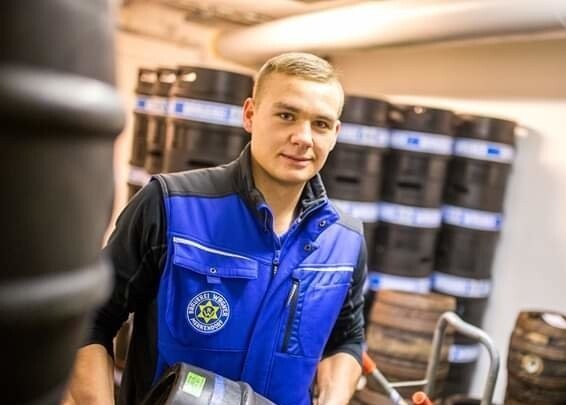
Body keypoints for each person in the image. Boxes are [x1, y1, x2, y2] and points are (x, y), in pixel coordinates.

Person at [64, 53, 366, 405]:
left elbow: (346, 337)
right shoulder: (170, 205)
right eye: (287, 116)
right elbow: (90, 318)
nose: (303, 137)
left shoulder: (345, 240)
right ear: (250, 114)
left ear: (336, 134)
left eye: (321, 124)